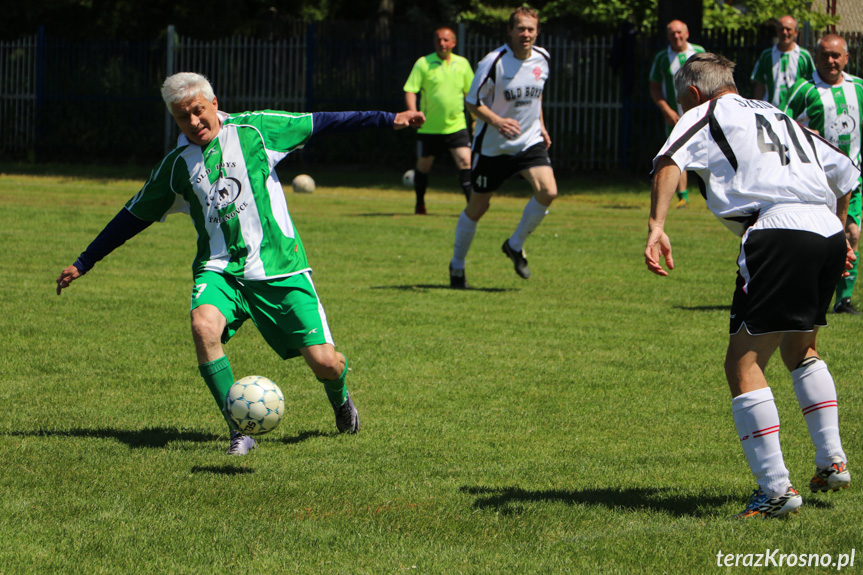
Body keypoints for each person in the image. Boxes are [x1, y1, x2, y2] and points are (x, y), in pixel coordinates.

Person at [56, 72, 425, 456]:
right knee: (203, 325)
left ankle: (340, 398)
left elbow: (322, 122)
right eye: (184, 117)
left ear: (214, 103)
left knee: (325, 363)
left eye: (199, 111)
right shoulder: (176, 166)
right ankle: (238, 431)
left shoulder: (256, 130)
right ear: (175, 119)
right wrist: (85, 261)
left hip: (280, 269)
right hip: (220, 271)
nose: (194, 122)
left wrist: (388, 118)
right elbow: (133, 216)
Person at [645, 53, 857, 518]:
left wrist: (657, 224)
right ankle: (832, 462)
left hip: (776, 231)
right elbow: (845, 171)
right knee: (801, 350)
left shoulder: (705, 112)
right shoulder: (776, 111)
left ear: (694, 94)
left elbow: (668, 160)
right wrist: (843, 230)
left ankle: (775, 490)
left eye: (684, 99)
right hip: (823, 229)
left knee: (742, 365)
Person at [448, 6, 556, 288]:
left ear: (537, 32)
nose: (526, 34)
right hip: (493, 146)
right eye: (520, 28)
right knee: (478, 206)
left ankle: (515, 244)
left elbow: (537, 96)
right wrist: (497, 121)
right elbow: (473, 102)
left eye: (531, 29)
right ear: (510, 30)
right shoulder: (493, 62)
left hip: (529, 140)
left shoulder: (543, 58)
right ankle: (457, 265)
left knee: (549, 191)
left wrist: (541, 126)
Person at [784, 34, 863, 315]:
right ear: (815, 57)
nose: (831, 60)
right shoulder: (804, 90)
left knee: (851, 232)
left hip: (852, 179)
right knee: (815, 240)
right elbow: (782, 124)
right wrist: (804, 133)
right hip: (814, 180)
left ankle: (843, 299)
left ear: (846, 58)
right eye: (825, 55)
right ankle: (810, 294)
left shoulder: (859, 88)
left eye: (836, 55)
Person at [403, 26, 475, 214]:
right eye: (438, 40)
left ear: (454, 42)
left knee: (466, 162)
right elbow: (411, 89)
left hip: (456, 125)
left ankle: (473, 207)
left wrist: (476, 119)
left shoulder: (463, 64)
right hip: (429, 128)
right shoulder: (423, 63)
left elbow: (471, 94)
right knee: (423, 166)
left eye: (446, 40)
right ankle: (420, 204)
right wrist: (413, 113)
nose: (442, 43)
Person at [649, 20, 705, 208]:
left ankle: (714, 195)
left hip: (699, 114)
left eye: (679, 32)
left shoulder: (698, 53)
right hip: (675, 116)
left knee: (707, 151)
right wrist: (666, 110)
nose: (676, 36)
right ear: (668, 36)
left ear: (687, 33)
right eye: (672, 33)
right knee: (676, 153)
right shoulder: (662, 58)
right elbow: (655, 87)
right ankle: (683, 197)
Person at [751, 15, 815, 110]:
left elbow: (812, 84)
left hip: (796, 111)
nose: (784, 32)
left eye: (788, 29)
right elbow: (760, 84)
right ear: (777, 31)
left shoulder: (804, 56)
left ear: (796, 32)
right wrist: (757, 108)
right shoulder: (766, 56)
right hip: (771, 110)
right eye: (781, 29)